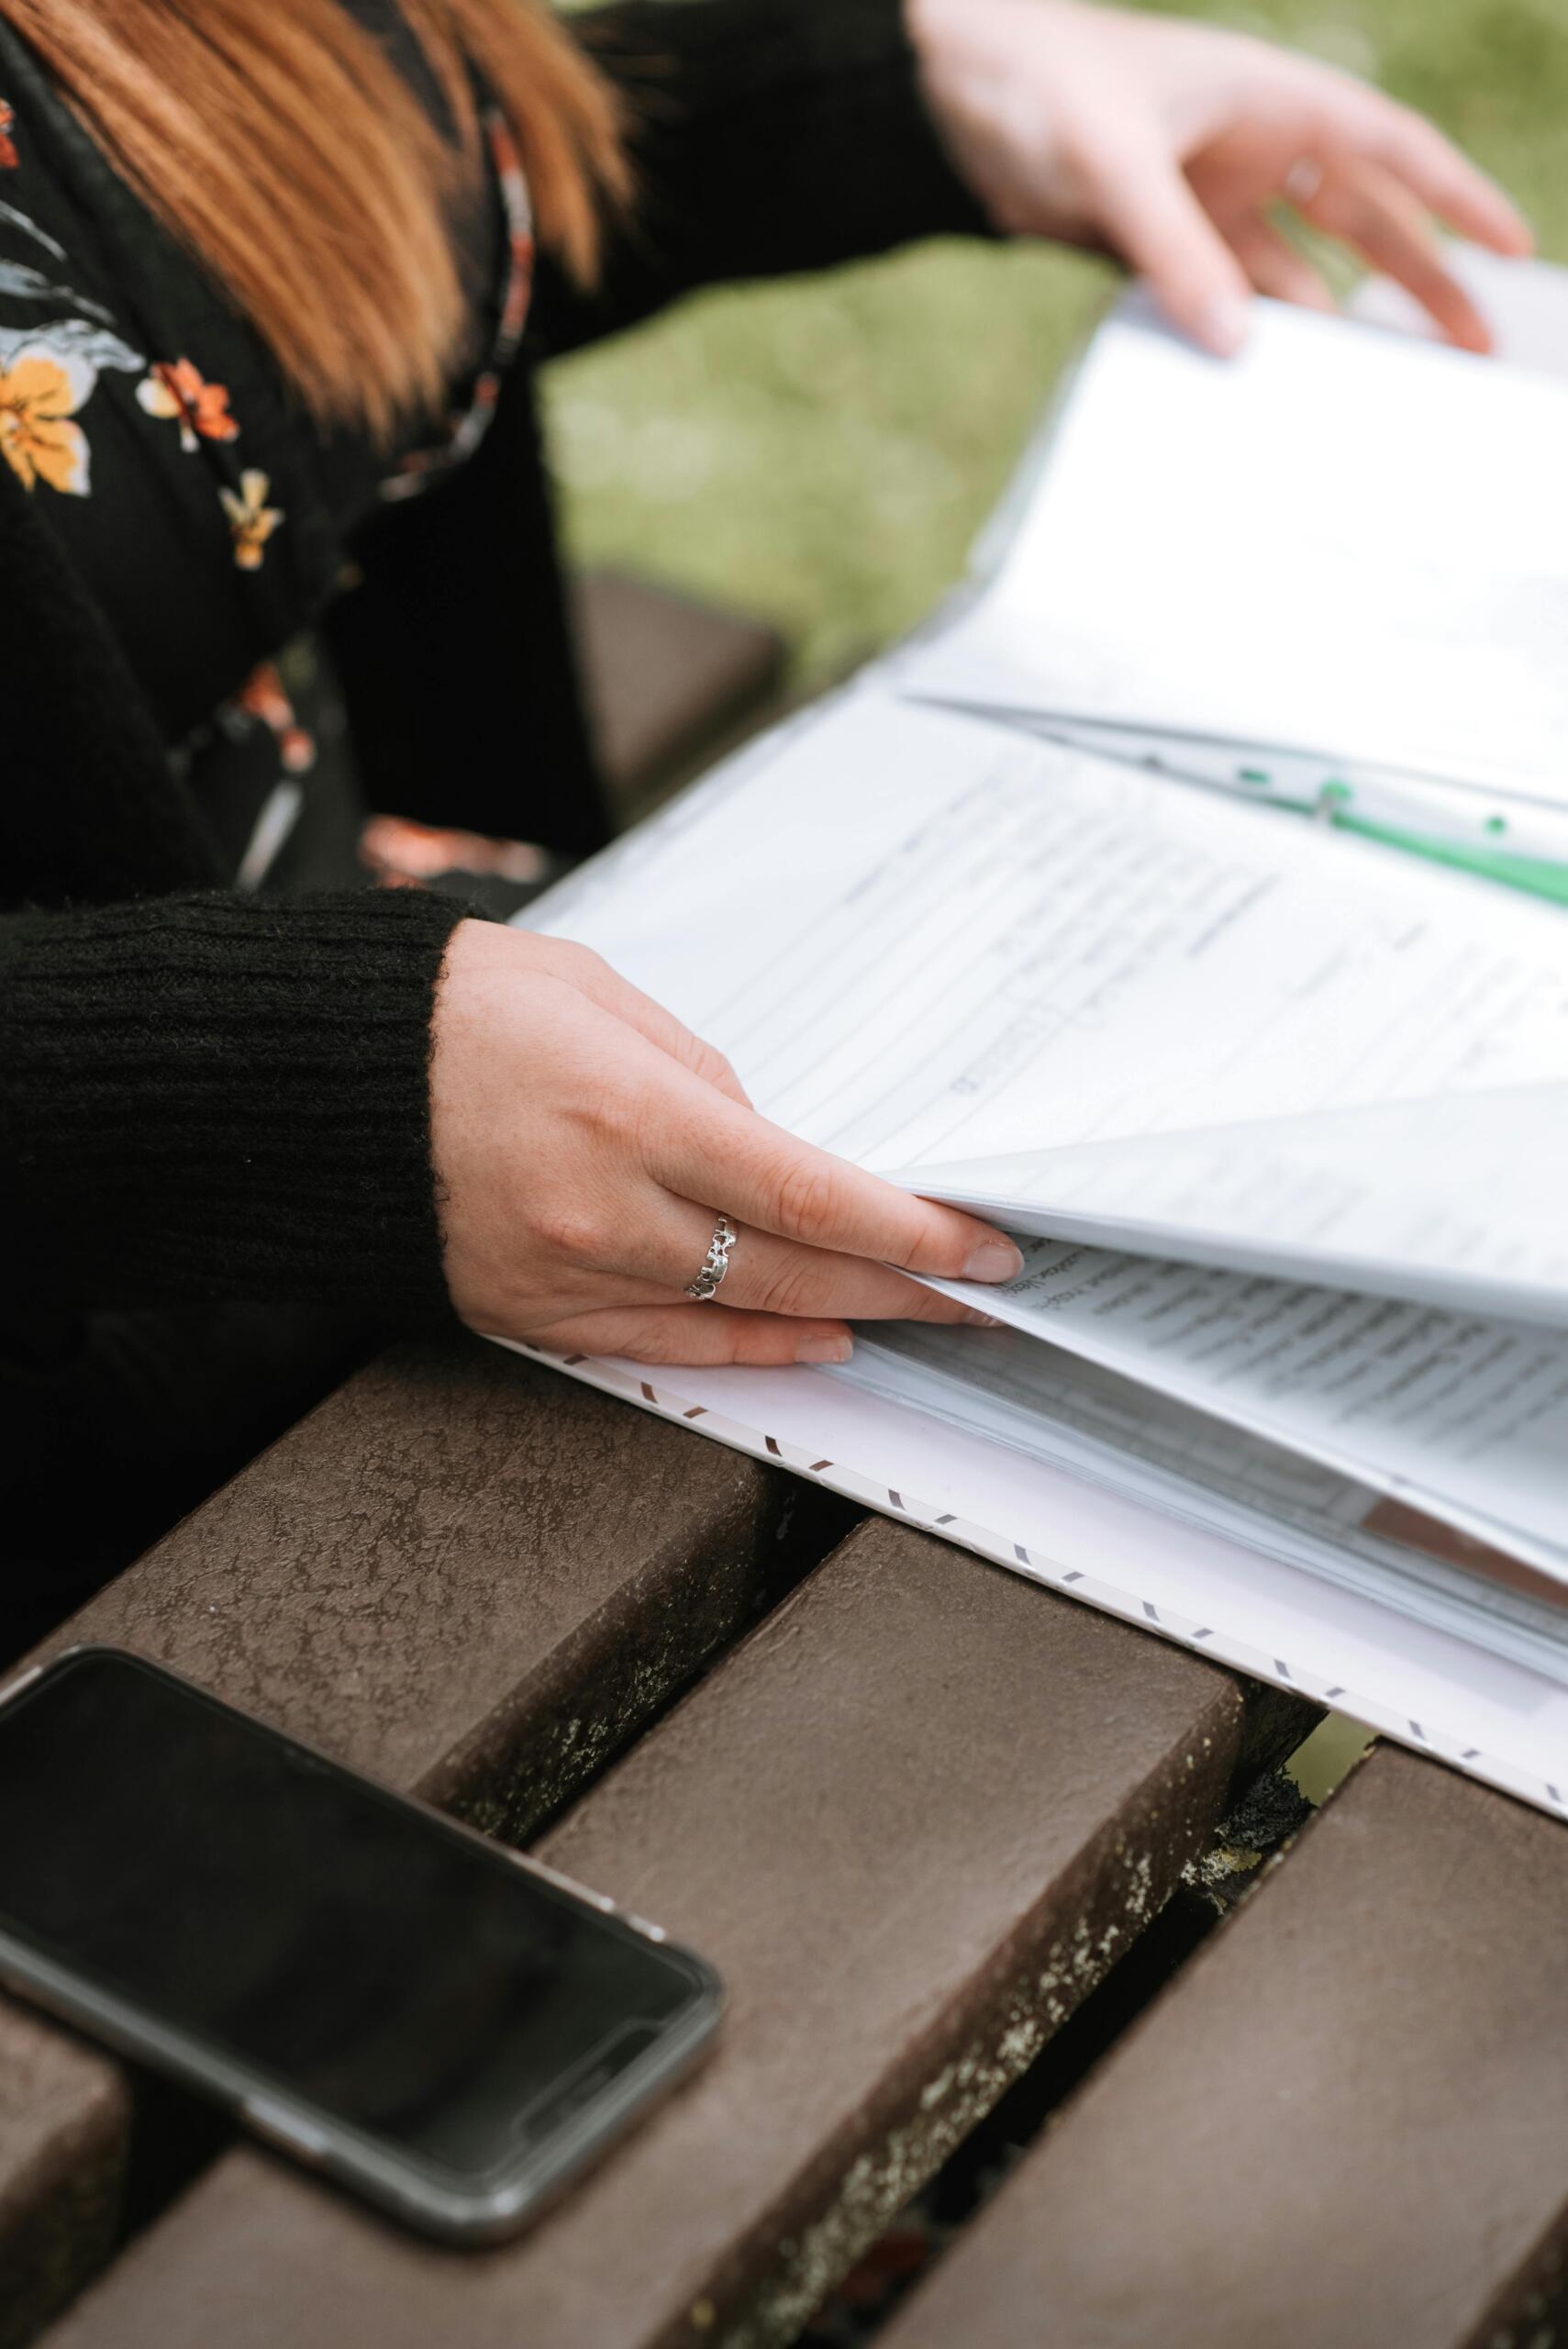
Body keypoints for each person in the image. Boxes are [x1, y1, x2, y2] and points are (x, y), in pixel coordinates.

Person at [0, 0, 1528, 1631]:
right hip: (139, 1325)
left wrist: (916, 90)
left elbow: (200, 349)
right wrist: (257, 1099)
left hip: (443, 1014)